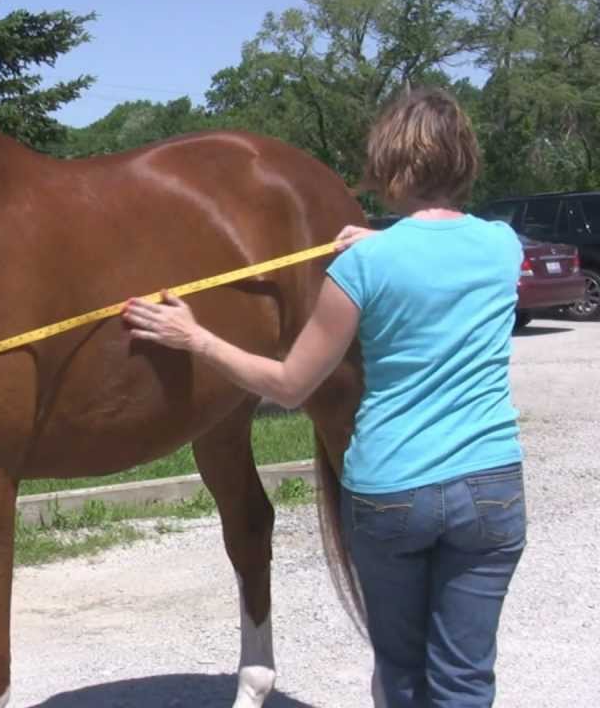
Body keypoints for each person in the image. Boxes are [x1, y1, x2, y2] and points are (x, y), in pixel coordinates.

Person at [122, 88, 525, 707]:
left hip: (397, 490)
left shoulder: (362, 268)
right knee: (467, 677)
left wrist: (195, 338)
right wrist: (382, 241)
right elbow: (438, 250)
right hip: (494, 487)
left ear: (390, 167)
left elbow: (289, 385)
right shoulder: (504, 246)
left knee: (403, 673)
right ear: (465, 161)